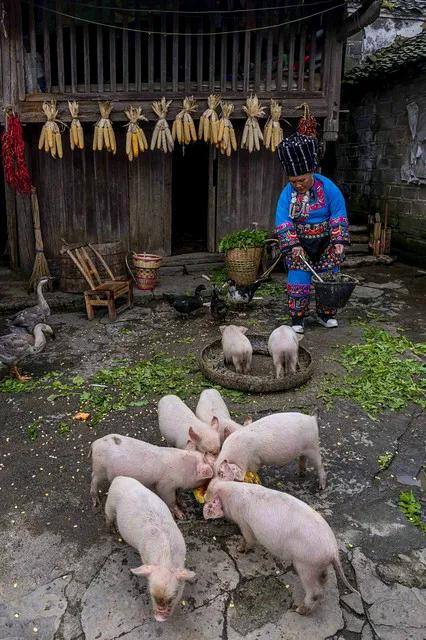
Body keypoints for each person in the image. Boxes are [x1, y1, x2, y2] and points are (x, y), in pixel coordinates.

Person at [275, 133, 350, 334]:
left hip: (326, 243)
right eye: (293, 181)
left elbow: (338, 212)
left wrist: (338, 240)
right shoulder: (287, 194)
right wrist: (293, 244)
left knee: (328, 278)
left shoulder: (328, 188)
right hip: (300, 244)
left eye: (302, 180)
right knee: (298, 278)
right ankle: (298, 318)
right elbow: (283, 219)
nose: (298, 185)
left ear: (312, 172)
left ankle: (326, 315)